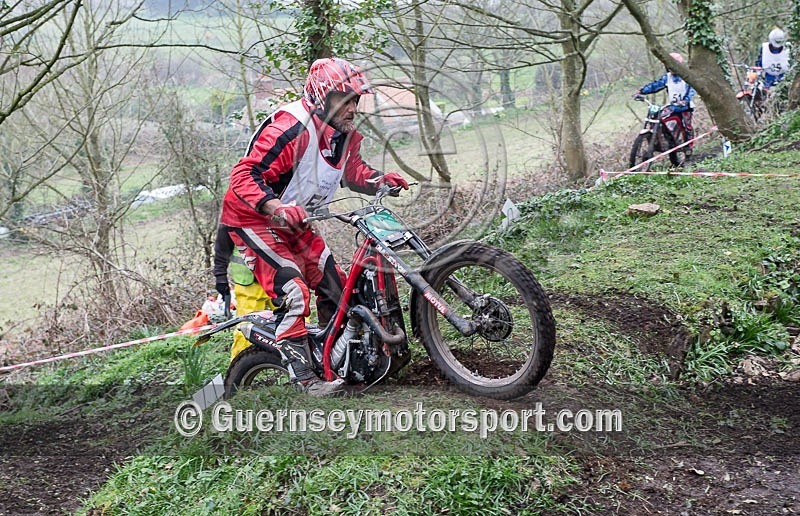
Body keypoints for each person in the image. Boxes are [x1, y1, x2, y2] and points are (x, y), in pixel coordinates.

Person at [218, 57, 409, 396]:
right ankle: (297, 382)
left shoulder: (343, 135)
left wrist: (381, 181)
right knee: (292, 293)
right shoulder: (290, 129)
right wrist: (274, 206)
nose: (352, 108)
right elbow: (242, 176)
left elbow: (353, 174)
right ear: (323, 97)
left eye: (355, 100)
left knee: (339, 289)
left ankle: (334, 362)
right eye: (344, 100)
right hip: (253, 220)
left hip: (295, 223)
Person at [213, 225, 274, 362]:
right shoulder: (233, 214)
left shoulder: (276, 207)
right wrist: (220, 276)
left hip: (279, 278)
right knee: (246, 330)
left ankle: (306, 369)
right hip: (249, 282)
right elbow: (222, 248)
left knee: (297, 323)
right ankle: (238, 372)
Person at [633, 52, 696, 155]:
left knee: (686, 126)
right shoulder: (667, 77)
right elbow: (656, 85)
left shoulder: (687, 76)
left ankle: (688, 147)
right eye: (668, 66)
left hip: (685, 107)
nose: (670, 69)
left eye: (673, 66)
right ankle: (659, 140)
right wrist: (642, 91)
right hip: (673, 106)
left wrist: (685, 100)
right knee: (658, 117)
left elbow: (692, 90)